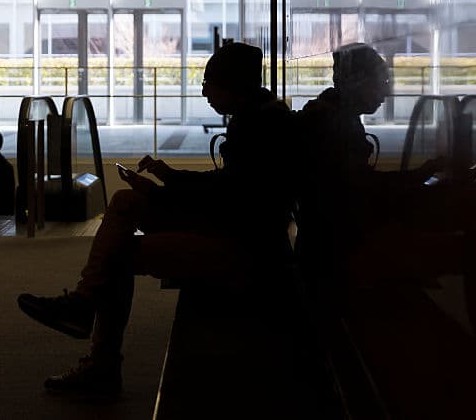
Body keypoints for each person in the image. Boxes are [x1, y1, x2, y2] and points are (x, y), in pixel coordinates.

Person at [17, 42, 293, 399]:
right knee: (125, 201)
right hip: (234, 231)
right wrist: (169, 177)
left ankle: (99, 354)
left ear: (233, 83)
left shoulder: (259, 129)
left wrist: (162, 193)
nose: (204, 90)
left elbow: (230, 201)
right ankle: (84, 304)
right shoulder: (259, 117)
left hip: (243, 249)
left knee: (119, 252)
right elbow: (228, 192)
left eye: (210, 82)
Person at [294, 43, 476, 358]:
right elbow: (360, 195)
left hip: (344, 240)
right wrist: (421, 181)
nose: (386, 93)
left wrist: (423, 177)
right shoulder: (332, 123)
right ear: (357, 82)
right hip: (349, 251)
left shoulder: (333, 116)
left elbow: (358, 191)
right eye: (381, 82)